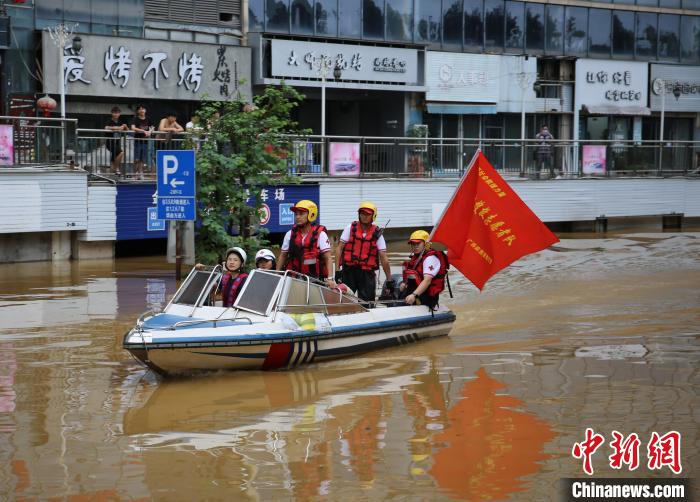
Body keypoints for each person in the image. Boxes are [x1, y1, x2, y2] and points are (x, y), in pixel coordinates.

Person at [335, 201, 393, 302]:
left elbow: (384, 258)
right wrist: (337, 271)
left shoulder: (377, 234)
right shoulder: (350, 228)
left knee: (367, 303)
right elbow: (339, 249)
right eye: (362, 213)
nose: (364, 216)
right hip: (349, 271)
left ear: (373, 216)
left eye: (368, 214)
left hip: (367, 274)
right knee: (346, 301)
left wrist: (389, 280)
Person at [277, 200, 336, 288]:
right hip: (295, 277)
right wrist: (277, 273)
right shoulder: (290, 234)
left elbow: (328, 258)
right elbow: (283, 255)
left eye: (301, 214)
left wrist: (330, 279)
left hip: (315, 279)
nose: (297, 217)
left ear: (311, 215)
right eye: (296, 214)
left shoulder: (321, 235)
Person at [401, 230, 449, 310]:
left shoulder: (430, 258)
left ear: (426, 244)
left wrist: (414, 295)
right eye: (413, 244)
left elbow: (427, 281)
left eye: (418, 243)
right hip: (415, 293)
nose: (415, 246)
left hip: (426, 297)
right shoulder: (416, 258)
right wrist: (404, 283)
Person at [130, 105, 154, 179]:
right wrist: (144, 131)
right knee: (136, 159)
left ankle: (141, 173)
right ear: (138, 111)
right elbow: (133, 128)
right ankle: (135, 174)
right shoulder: (135, 119)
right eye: (140, 109)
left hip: (145, 142)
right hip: (137, 141)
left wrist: (150, 131)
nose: (141, 110)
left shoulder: (148, 119)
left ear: (145, 110)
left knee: (142, 158)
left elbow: (152, 127)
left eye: (143, 109)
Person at [104, 106, 128, 176]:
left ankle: (113, 172)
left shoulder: (120, 121)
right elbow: (106, 127)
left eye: (117, 113)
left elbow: (127, 130)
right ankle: (116, 168)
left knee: (114, 157)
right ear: (112, 113)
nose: (116, 114)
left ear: (119, 114)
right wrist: (117, 128)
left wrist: (125, 126)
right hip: (110, 142)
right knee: (121, 152)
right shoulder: (109, 121)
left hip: (117, 142)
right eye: (114, 113)